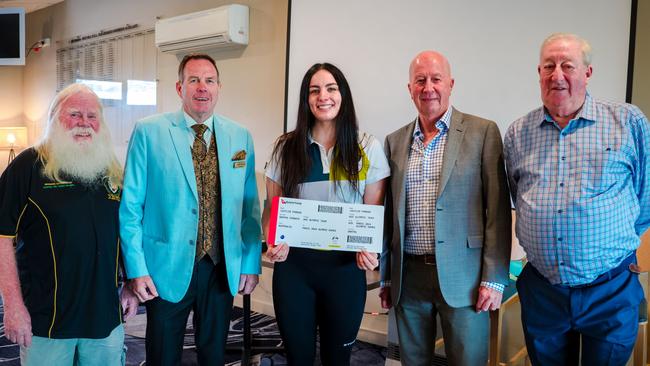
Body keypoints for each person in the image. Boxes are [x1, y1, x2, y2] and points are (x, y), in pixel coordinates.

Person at [504, 32, 649, 365]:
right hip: (544, 290)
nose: (557, 75)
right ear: (538, 73)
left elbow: (647, 194)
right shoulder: (517, 133)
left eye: (567, 65)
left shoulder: (627, 122)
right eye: (548, 66)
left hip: (610, 290)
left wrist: (614, 244)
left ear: (588, 72)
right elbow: (520, 199)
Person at [119, 53, 262, 365]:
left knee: (213, 354)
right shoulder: (149, 131)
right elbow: (130, 207)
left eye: (209, 80)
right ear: (179, 87)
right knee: (163, 355)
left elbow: (249, 206)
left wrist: (251, 262)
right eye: (193, 80)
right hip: (164, 266)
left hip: (221, 266)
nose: (202, 87)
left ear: (219, 87)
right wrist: (136, 269)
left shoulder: (240, 136)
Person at [381, 50, 511, 365]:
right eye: (420, 80)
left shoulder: (483, 132)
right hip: (409, 277)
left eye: (436, 79)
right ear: (409, 88)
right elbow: (388, 219)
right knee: (413, 360)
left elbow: (497, 211)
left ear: (451, 84)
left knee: (468, 360)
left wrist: (493, 279)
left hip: (465, 279)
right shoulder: (394, 141)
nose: (429, 88)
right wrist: (386, 277)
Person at [0, 83, 138, 366]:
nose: (84, 123)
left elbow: (125, 232)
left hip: (104, 318)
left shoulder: (111, 168)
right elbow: (2, 237)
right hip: (47, 319)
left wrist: (131, 284)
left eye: (92, 116)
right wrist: (12, 305)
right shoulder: (28, 166)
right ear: (54, 118)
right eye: (74, 114)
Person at [262, 63, 390, 365]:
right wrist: (273, 240)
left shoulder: (367, 147)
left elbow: (374, 214)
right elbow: (272, 209)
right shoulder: (285, 148)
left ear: (342, 94)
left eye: (331, 88)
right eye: (315, 90)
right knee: (298, 358)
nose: (324, 96)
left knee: (338, 358)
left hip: (345, 270)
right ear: (307, 99)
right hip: (295, 270)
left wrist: (370, 249)